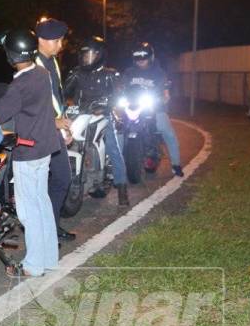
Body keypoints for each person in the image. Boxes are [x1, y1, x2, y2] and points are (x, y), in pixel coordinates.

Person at [0, 29, 60, 277]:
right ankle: (49, 258)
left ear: (11, 56)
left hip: (28, 152)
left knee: (28, 210)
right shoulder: (42, 73)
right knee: (42, 203)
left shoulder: (19, 85)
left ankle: (33, 265)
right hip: (44, 147)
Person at [63, 36, 130, 206]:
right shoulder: (76, 73)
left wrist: (108, 103)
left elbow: (119, 94)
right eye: (84, 55)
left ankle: (122, 187)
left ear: (100, 55)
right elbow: (63, 91)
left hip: (103, 115)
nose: (86, 58)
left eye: (90, 55)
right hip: (80, 115)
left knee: (113, 148)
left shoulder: (110, 73)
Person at [34, 17, 76, 242]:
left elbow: (57, 97)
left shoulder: (52, 61)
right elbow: (31, 104)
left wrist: (64, 124)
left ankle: (51, 225)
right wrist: (55, 123)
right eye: (56, 40)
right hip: (40, 132)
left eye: (61, 40)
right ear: (41, 40)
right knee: (47, 181)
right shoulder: (32, 65)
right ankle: (45, 231)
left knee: (61, 178)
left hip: (54, 128)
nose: (61, 45)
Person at [122, 42, 184, 177]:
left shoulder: (159, 73)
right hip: (132, 107)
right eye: (138, 57)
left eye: (144, 57)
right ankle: (116, 165)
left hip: (153, 108)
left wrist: (164, 97)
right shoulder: (128, 72)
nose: (141, 60)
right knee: (118, 130)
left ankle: (176, 164)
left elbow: (165, 92)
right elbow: (121, 88)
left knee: (167, 132)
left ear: (150, 57)